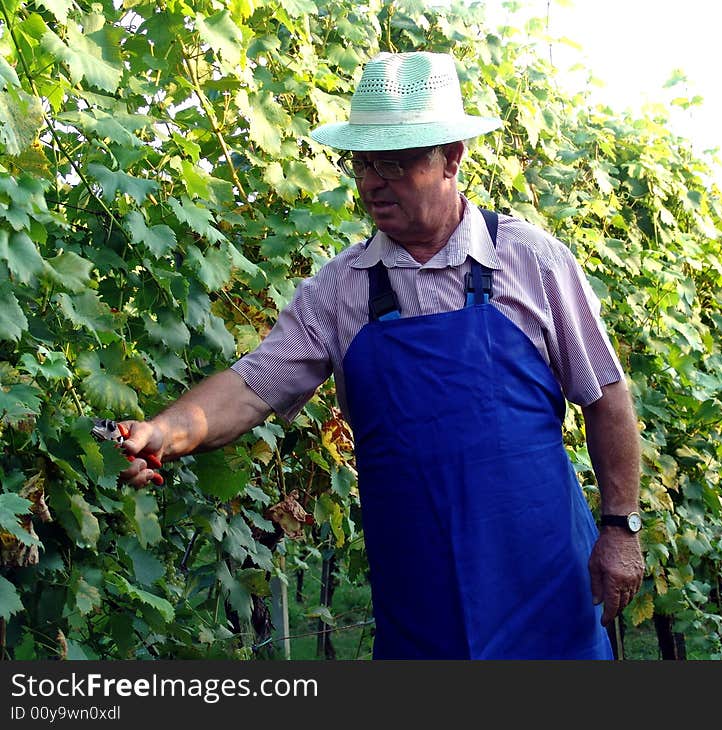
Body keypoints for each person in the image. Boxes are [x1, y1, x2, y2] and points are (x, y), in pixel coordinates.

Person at [120, 51, 645, 659]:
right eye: (364, 163)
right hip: (418, 598)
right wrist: (163, 431)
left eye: (394, 164)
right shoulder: (338, 291)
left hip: (545, 584)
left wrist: (620, 528)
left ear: (452, 158)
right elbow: (247, 389)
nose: (372, 181)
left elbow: (606, 398)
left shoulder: (532, 261)